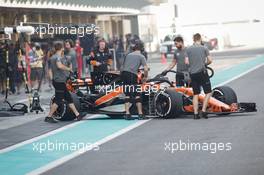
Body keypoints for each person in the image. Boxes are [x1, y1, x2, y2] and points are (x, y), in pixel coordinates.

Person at [45, 42, 83, 123]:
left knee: (69, 98)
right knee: (58, 100)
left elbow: (51, 70)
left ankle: (77, 115)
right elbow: (59, 66)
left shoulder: (52, 57)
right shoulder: (57, 57)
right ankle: (49, 116)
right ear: (61, 48)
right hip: (59, 81)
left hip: (58, 81)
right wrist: (69, 69)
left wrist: (52, 79)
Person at [185, 33, 213, 119]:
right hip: (202, 73)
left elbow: (186, 62)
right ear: (200, 39)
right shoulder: (204, 48)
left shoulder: (188, 49)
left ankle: (196, 114)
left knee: (195, 94)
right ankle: (204, 111)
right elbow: (210, 60)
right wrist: (204, 64)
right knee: (208, 92)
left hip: (193, 74)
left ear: (193, 39)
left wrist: (193, 65)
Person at [121, 39, 149, 120]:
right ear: (142, 49)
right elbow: (146, 69)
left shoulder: (128, 55)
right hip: (132, 75)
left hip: (124, 74)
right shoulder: (141, 56)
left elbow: (123, 67)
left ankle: (127, 114)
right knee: (137, 94)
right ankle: (140, 114)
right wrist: (145, 78)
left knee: (127, 94)